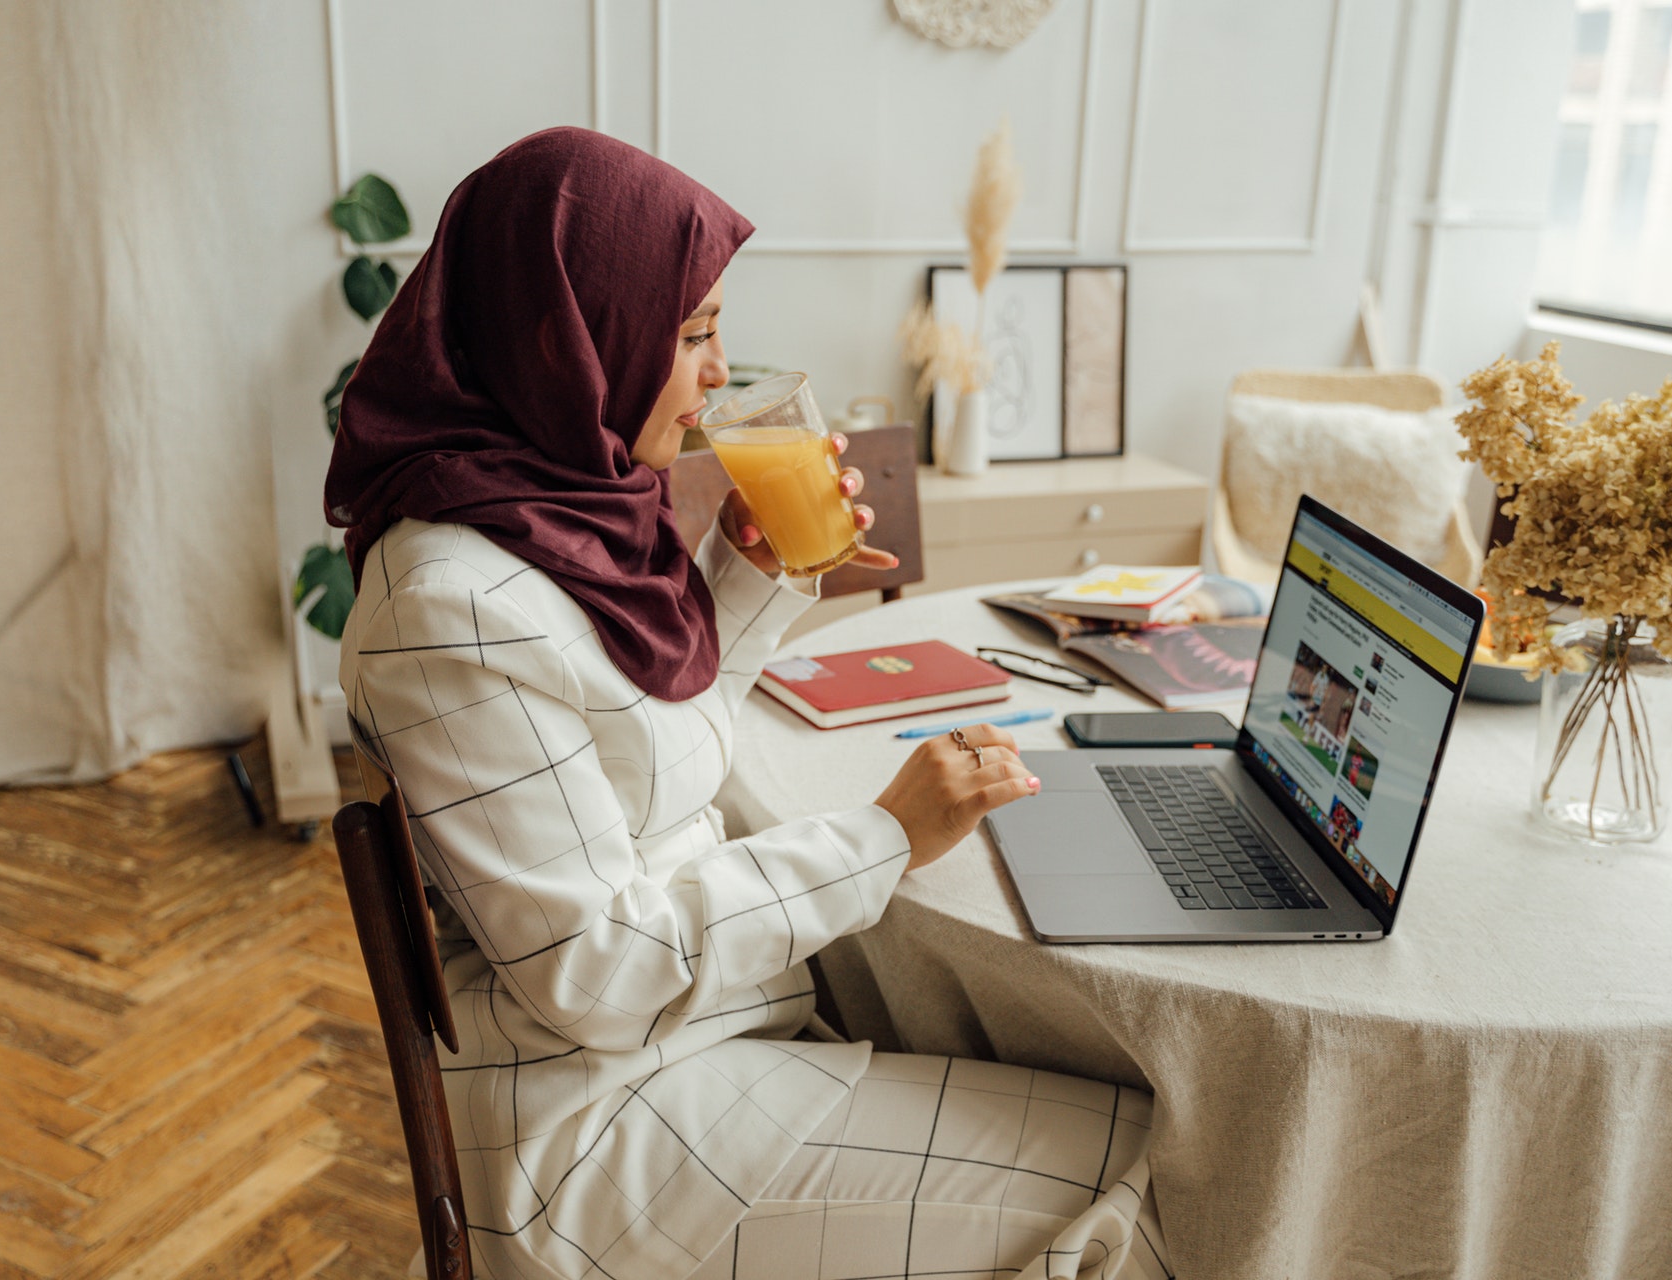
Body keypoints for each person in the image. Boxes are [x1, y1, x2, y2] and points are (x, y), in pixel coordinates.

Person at [325, 128, 1165, 1280]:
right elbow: (599, 972)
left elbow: (634, 760)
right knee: (1154, 1160)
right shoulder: (451, 606)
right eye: (694, 332)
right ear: (573, 329)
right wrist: (884, 835)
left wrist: (747, 575)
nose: (719, 372)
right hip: (603, 1128)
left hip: (699, 1044)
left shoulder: (550, 509)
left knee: (1065, 1072)